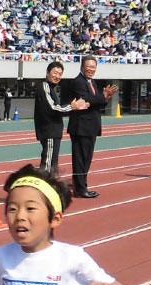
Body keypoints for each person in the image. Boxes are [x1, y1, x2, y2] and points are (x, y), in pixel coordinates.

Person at [64, 57, 117, 199]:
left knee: (86, 159)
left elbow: (96, 102)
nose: (91, 69)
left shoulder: (92, 82)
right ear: (82, 67)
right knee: (80, 159)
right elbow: (85, 100)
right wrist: (102, 96)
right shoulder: (78, 82)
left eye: (93, 67)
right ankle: (80, 189)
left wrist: (106, 97)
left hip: (91, 126)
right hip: (81, 127)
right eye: (88, 66)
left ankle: (82, 186)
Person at [33, 62, 77, 177]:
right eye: (55, 73)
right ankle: (43, 184)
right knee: (47, 164)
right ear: (47, 73)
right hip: (49, 131)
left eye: (60, 74)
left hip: (54, 131)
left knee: (53, 163)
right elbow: (53, 108)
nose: (57, 76)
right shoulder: (45, 87)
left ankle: (49, 183)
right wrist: (72, 107)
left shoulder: (51, 88)